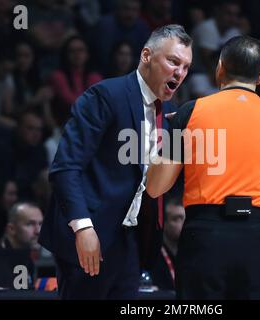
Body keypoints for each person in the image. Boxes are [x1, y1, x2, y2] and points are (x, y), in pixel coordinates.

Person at [147, 35, 260, 299]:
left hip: (206, 238)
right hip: (258, 241)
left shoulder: (189, 113)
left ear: (219, 68)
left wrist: (168, 134)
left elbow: (155, 187)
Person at [39, 25, 192, 300]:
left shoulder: (170, 114)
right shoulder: (105, 96)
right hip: (90, 233)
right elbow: (66, 167)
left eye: (185, 67)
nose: (180, 73)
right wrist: (83, 228)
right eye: (173, 61)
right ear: (146, 56)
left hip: (132, 239)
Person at [151, 196, 185, 291]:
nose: (183, 224)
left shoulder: (189, 254)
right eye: (176, 219)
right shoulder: (155, 256)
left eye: (184, 218)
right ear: (164, 223)